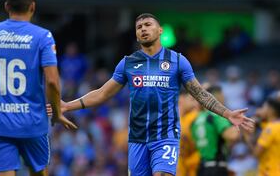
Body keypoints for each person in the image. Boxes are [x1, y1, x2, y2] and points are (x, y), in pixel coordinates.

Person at [48, 13, 255, 176]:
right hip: (137, 138)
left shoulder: (178, 60)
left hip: (165, 136)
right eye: (139, 27)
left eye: (148, 25)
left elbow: (200, 93)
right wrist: (67, 106)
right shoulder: (128, 63)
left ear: (160, 30)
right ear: (137, 35)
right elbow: (102, 93)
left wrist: (227, 114)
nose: (143, 29)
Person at [0, 0, 77, 176]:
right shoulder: (43, 36)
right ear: (32, 6)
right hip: (33, 125)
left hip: (0, 125)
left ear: (6, 6)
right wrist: (56, 112)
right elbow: (52, 81)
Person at [191, 84, 240, 176]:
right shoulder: (216, 116)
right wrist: (238, 125)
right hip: (216, 168)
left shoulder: (195, 120)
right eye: (222, 95)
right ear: (217, 96)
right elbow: (232, 136)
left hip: (202, 168)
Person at [244, 91, 280, 176]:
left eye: (263, 107)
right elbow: (258, 121)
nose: (259, 109)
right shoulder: (274, 125)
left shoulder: (270, 129)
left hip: (270, 172)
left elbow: (256, 153)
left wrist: (247, 137)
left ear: (271, 110)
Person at [177, 89, 200, 176]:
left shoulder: (194, 116)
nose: (195, 103)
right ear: (181, 99)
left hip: (195, 169)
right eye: (192, 99)